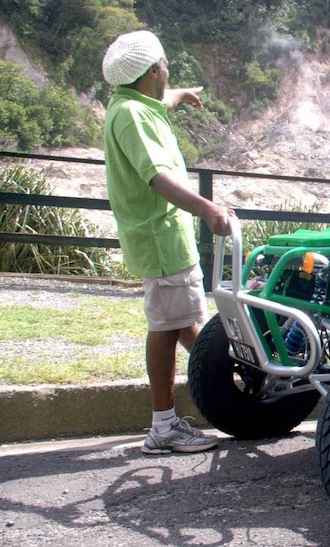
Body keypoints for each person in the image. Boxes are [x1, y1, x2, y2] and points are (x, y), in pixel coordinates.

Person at [102, 30, 235, 454]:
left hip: (163, 236)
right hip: (160, 236)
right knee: (164, 326)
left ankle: (234, 389)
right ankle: (163, 425)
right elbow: (157, 177)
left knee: (182, 321)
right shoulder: (132, 117)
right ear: (150, 71)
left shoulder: (133, 104)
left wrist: (179, 94)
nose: (168, 68)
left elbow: (160, 101)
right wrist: (208, 209)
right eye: (164, 65)